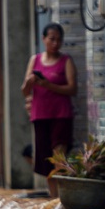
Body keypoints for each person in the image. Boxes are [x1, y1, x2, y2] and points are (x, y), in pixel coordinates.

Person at [21, 23, 78, 198]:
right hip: (40, 115)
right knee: (46, 160)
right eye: (52, 39)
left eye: (59, 40)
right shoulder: (35, 60)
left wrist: (49, 85)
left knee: (58, 156)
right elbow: (24, 91)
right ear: (43, 39)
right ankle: (54, 197)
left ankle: (64, 197)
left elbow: (72, 89)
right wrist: (30, 82)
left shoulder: (65, 61)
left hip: (61, 115)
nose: (55, 43)